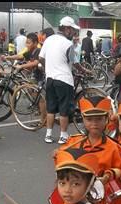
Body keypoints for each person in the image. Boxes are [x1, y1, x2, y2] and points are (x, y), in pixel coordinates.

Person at [57, 96, 121, 204]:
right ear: (83, 119)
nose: (94, 123)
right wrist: (58, 155)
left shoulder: (113, 147)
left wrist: (107, 176)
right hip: (73, 192)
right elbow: (61, 168)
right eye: (89, 119)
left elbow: (119, 169)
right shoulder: (73, 141)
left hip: (96, 194)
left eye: (99, 119)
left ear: (106, 119)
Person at [39, 16, 81, 144]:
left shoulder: (49, 39)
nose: (74, 33)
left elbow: (41, 58)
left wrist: (48, 68)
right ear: (67, 29)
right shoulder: (68, 44)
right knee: (64, 109)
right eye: (73, 30)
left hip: (50, 78)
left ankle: (48, 135)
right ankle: (63, 136)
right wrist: (85, 71)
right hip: (64, 79)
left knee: (51, 108)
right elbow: (75, 63)